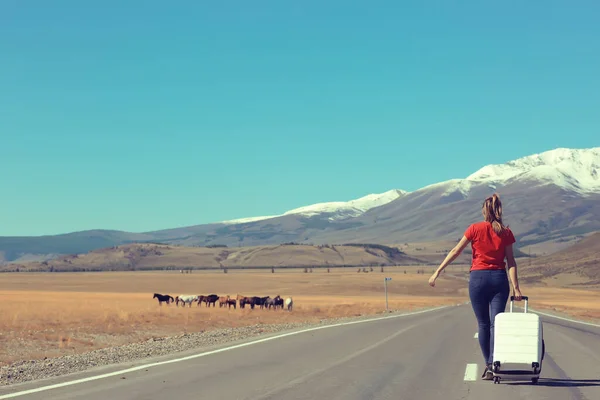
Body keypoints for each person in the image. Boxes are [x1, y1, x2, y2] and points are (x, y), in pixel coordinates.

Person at [428, 193, 522, 380]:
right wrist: (516, 288)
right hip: (499, 279)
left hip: (477, 279)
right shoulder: (506, 232)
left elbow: (456, 251)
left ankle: (489, 364)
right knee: (497, 325)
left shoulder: (474, 228)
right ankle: (496, 362)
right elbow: (511, 261)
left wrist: (437, 271)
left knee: (483, 324)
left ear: (484, 211)